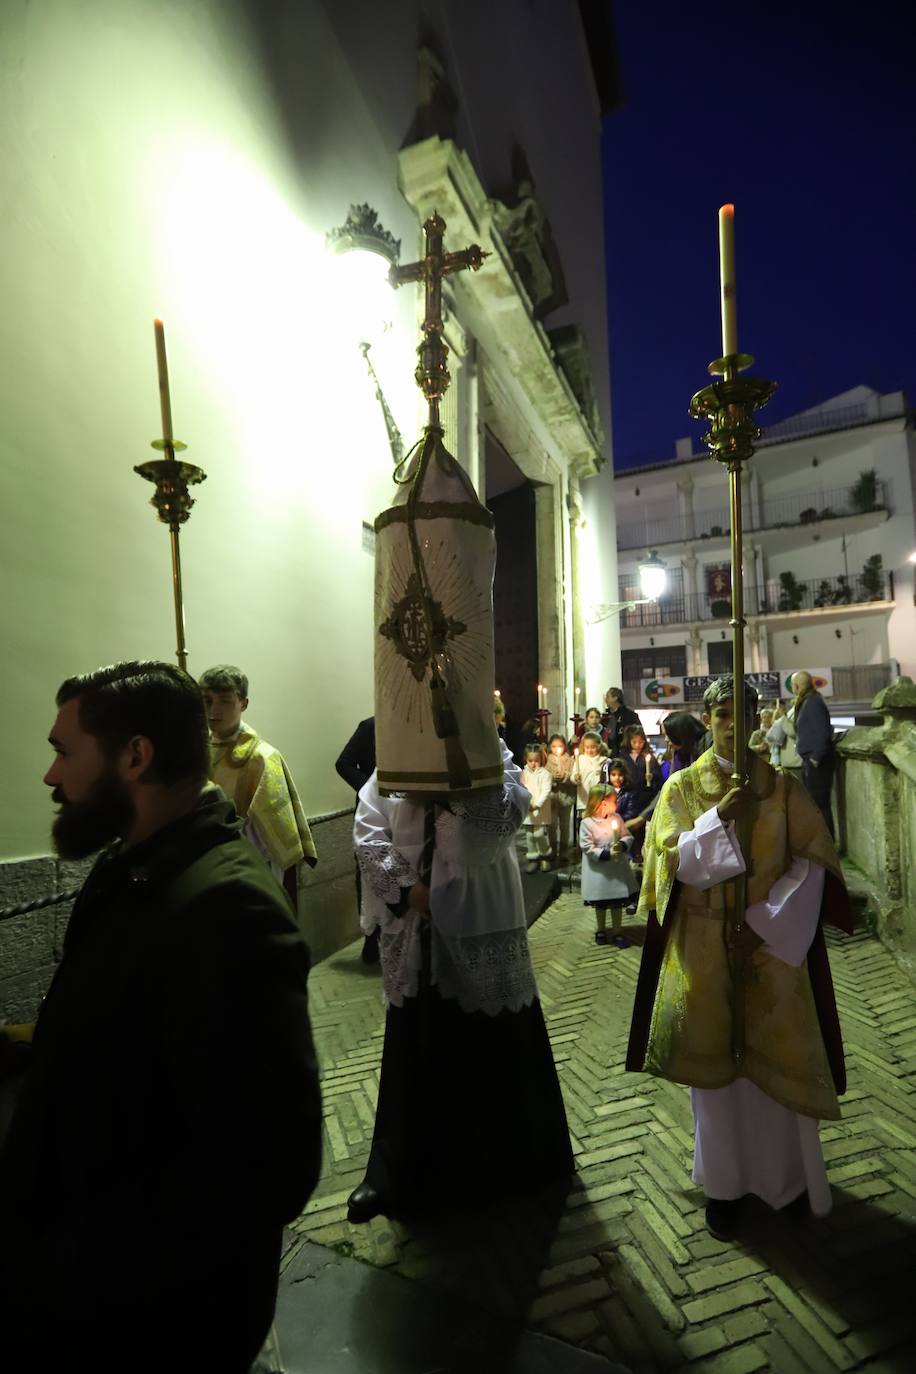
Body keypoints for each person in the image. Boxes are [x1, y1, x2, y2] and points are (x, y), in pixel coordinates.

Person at [0, 661, 322, 1373]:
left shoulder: (226, 909)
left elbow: (269, 1167)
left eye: (63, 751)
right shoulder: (134, 867)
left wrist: (95, 1269)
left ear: (135, 756)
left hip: (142, 1325)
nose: (51, 776)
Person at [627, 674, 853, 1243]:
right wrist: (715, 821)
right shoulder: (680, 788)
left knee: (774, 1077)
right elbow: (665, 863)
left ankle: (785, 1183)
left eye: (743, 711)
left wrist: (766, 925)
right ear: (708, 720)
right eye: (722, 713)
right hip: (702, 951)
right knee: (718, 1088)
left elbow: (812, 862)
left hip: (770, 952)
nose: (732, 722)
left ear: (757, 717)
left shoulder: (780, 789)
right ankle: (725, 1189)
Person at [346, 738, 573, 1222]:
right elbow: (367, 828)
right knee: (414, 1041)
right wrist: (408, 890)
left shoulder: (490, 752)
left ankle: (499, 1167)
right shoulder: (396, 757)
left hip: (478, 912)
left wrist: (452, 790)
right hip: (413, 917)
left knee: (489, 1038)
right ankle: (394, 1170)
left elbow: (495, 828)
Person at [201, 664, 317, 911]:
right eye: (207, 701)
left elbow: (271, 834)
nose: (214, 710)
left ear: (243, 704)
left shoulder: (262, 757)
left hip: (248, 869)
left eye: (225, 701)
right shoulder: (195, 753)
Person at [335, 715, 380, 963]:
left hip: (402, 815)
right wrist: (370, 790)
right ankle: (371, 938)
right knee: (368, 874)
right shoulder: (370, 726)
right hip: (371, 814)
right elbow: (344, 763)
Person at [579, 784, 638, 947]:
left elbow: (627, 836)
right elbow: (586, 846)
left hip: (616, 870)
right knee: (601, 904)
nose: (616, 804)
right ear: (602, 802)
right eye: (613, 801)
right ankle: (601, 929)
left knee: (617, 904)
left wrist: (622, 844)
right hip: (599, 872)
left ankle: (617, 931)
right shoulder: (587, 823)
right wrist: (605, 854)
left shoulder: (616, 819)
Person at [792, 671, 836, 835]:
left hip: (817, 763)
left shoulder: (812, 702)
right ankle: (824, 844)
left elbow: (823, 732)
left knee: (820, 806)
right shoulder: (810, 700)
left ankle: (827, 845)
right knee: (817, 805)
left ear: (797, 686)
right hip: (812, 761)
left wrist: (814, 759)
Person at [521, 743, 554, 872]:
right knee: (529, 836)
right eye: (530, 761)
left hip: (539, 810)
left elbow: (546, 790)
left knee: (539, 834)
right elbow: (522, 788)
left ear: (541, 759)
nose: (533, 763)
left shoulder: (545, 774)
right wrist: (526, 802)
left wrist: (537, 804)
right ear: (526, 759)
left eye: (536, 760)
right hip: (528, 809)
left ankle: (545, 855)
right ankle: (533, 858)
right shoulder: (523, 773)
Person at [545, 733, 576, 866]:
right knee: (551, 825)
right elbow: (543, 776)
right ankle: (552, 850)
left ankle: (563, 851)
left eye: (560, 746)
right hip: (551, 798)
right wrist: (552, 778)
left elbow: (574, 778)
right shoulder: (546, 759)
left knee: (565, 825)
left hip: (565, 796)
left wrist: (564, 776)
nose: (557, 749)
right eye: (554, 746)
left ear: (565, 746)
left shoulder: (570, 760)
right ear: (549, 747)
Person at [620, 723, 663, 807]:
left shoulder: (649, 757)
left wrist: (652, 776)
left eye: (640, 742)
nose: (637, 745)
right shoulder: (623, 756)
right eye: (634, 742)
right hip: (627, 795)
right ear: (628, 741)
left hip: (645, 795)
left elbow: (658, 775)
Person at [659, 711, 707, 781]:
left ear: (679, 733)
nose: (666, 739)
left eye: (668, 735)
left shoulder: (705, 747)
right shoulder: (678, 753)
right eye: (664, 735)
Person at [570, 729, 607, 807]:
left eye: (593, 747)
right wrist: (575, 778)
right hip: (584, 798)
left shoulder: (603, 760)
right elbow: (573, 775)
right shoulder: (580, 759)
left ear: (599, 746)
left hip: (599, 798)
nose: (590, 750)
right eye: (587, 747)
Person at [602, 687, 641, 757]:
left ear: (615, 698)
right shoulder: (606, 717)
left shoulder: (630, 715)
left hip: (626, 753)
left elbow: (637, 733)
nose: (605, 699)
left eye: (608, 696)